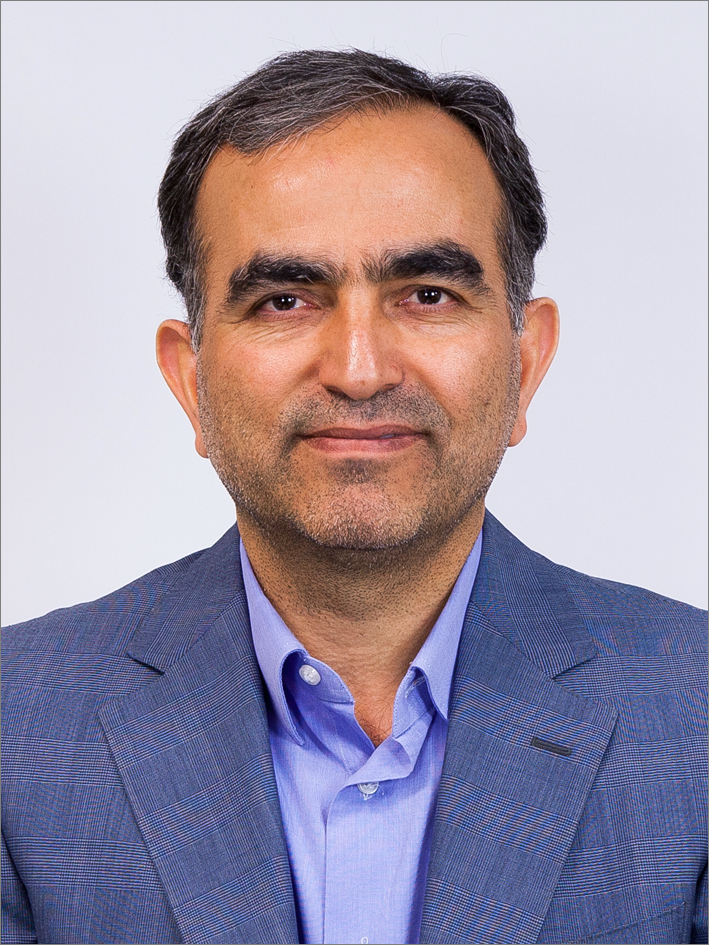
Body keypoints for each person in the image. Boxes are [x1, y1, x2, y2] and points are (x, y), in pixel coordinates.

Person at [2, 48, 706, 945]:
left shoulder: (692, 713)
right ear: (190, 380)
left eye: (427, 293)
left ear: (525, 363)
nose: (360, 369)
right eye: (284, 300)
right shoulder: (16, 726)